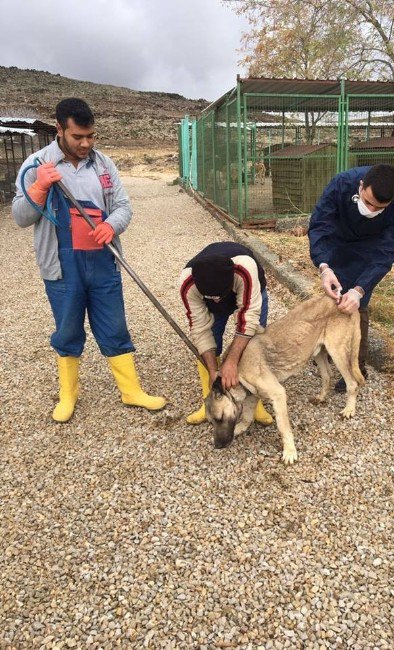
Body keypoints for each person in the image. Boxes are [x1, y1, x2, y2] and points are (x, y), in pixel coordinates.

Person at [12, 97, 166, 422]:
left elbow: (124, 206)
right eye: (77, 137)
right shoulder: (36, 165)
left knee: (115, 326)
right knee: (68, 329)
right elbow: (21, 217)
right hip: (62, 266)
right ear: (59, 129)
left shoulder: (104, 165)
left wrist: (111, 225)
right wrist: (40, 187)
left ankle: (131, 391)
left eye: (91, 136)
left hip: (103, 263)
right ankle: (68, 394)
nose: (85, 143)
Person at [308, 164, 394, 391]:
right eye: (366, 202)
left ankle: (357, 366)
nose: (371, 209)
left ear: (392, 202)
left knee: (357, 304)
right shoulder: (342, 184)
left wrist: (360, 289)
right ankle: (326, 348)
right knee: (334, 294)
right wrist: (324, 266)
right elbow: (320, 224)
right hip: (337, 240)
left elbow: (387, 252)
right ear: (361, 186)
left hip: (370, 248)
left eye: (379, 207)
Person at [180, 241, 273, 425]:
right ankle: (210, 398)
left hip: (251, 291)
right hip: (210, 298)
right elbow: (200, 329)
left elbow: (249, 318)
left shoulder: (245, 269)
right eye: (212, 298)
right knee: (211, 339)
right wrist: (213, 369)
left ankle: (255, 402)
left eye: (219, 297)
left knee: (254, 343)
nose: (218, 301)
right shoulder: (188, 284)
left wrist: (231, 361)